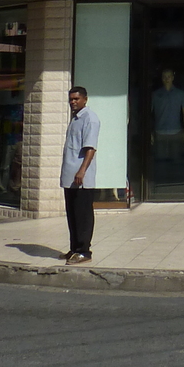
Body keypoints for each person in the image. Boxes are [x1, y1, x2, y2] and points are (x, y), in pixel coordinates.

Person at [60, 86, 100, 265]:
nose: (73, 102)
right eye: (71, 99)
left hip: (81, 177)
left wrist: (82, 170)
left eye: (76, 99)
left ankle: (84, 251)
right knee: (72, 213)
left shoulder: (90, 119)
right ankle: (74, 248)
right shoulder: (75, 119)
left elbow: (90, 148)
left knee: (83, 214)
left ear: (85, 99)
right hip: (70, 175)